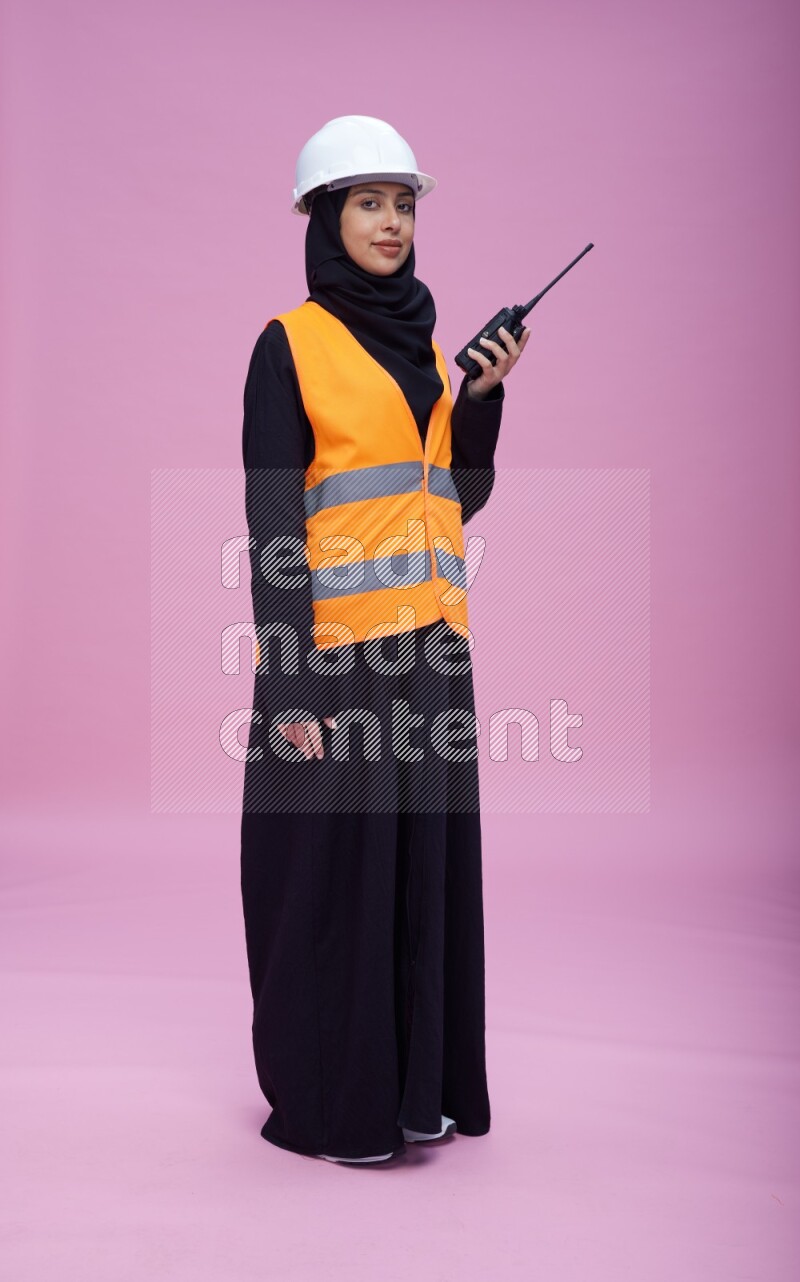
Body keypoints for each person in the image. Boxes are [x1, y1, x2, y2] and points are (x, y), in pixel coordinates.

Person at [239, 116, 530, 1164]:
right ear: (323, 217)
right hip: (342, 661)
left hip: (432, 657)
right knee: (335, 878)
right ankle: (338, 1099)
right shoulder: (290, 345)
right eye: (367, 202)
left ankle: (415, 1092)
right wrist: (294, 686)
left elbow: (452, 502)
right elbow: (275, 527)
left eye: (402, 204)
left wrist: (481, 400)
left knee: (419, 876)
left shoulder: (426, 348)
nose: (391, 223)